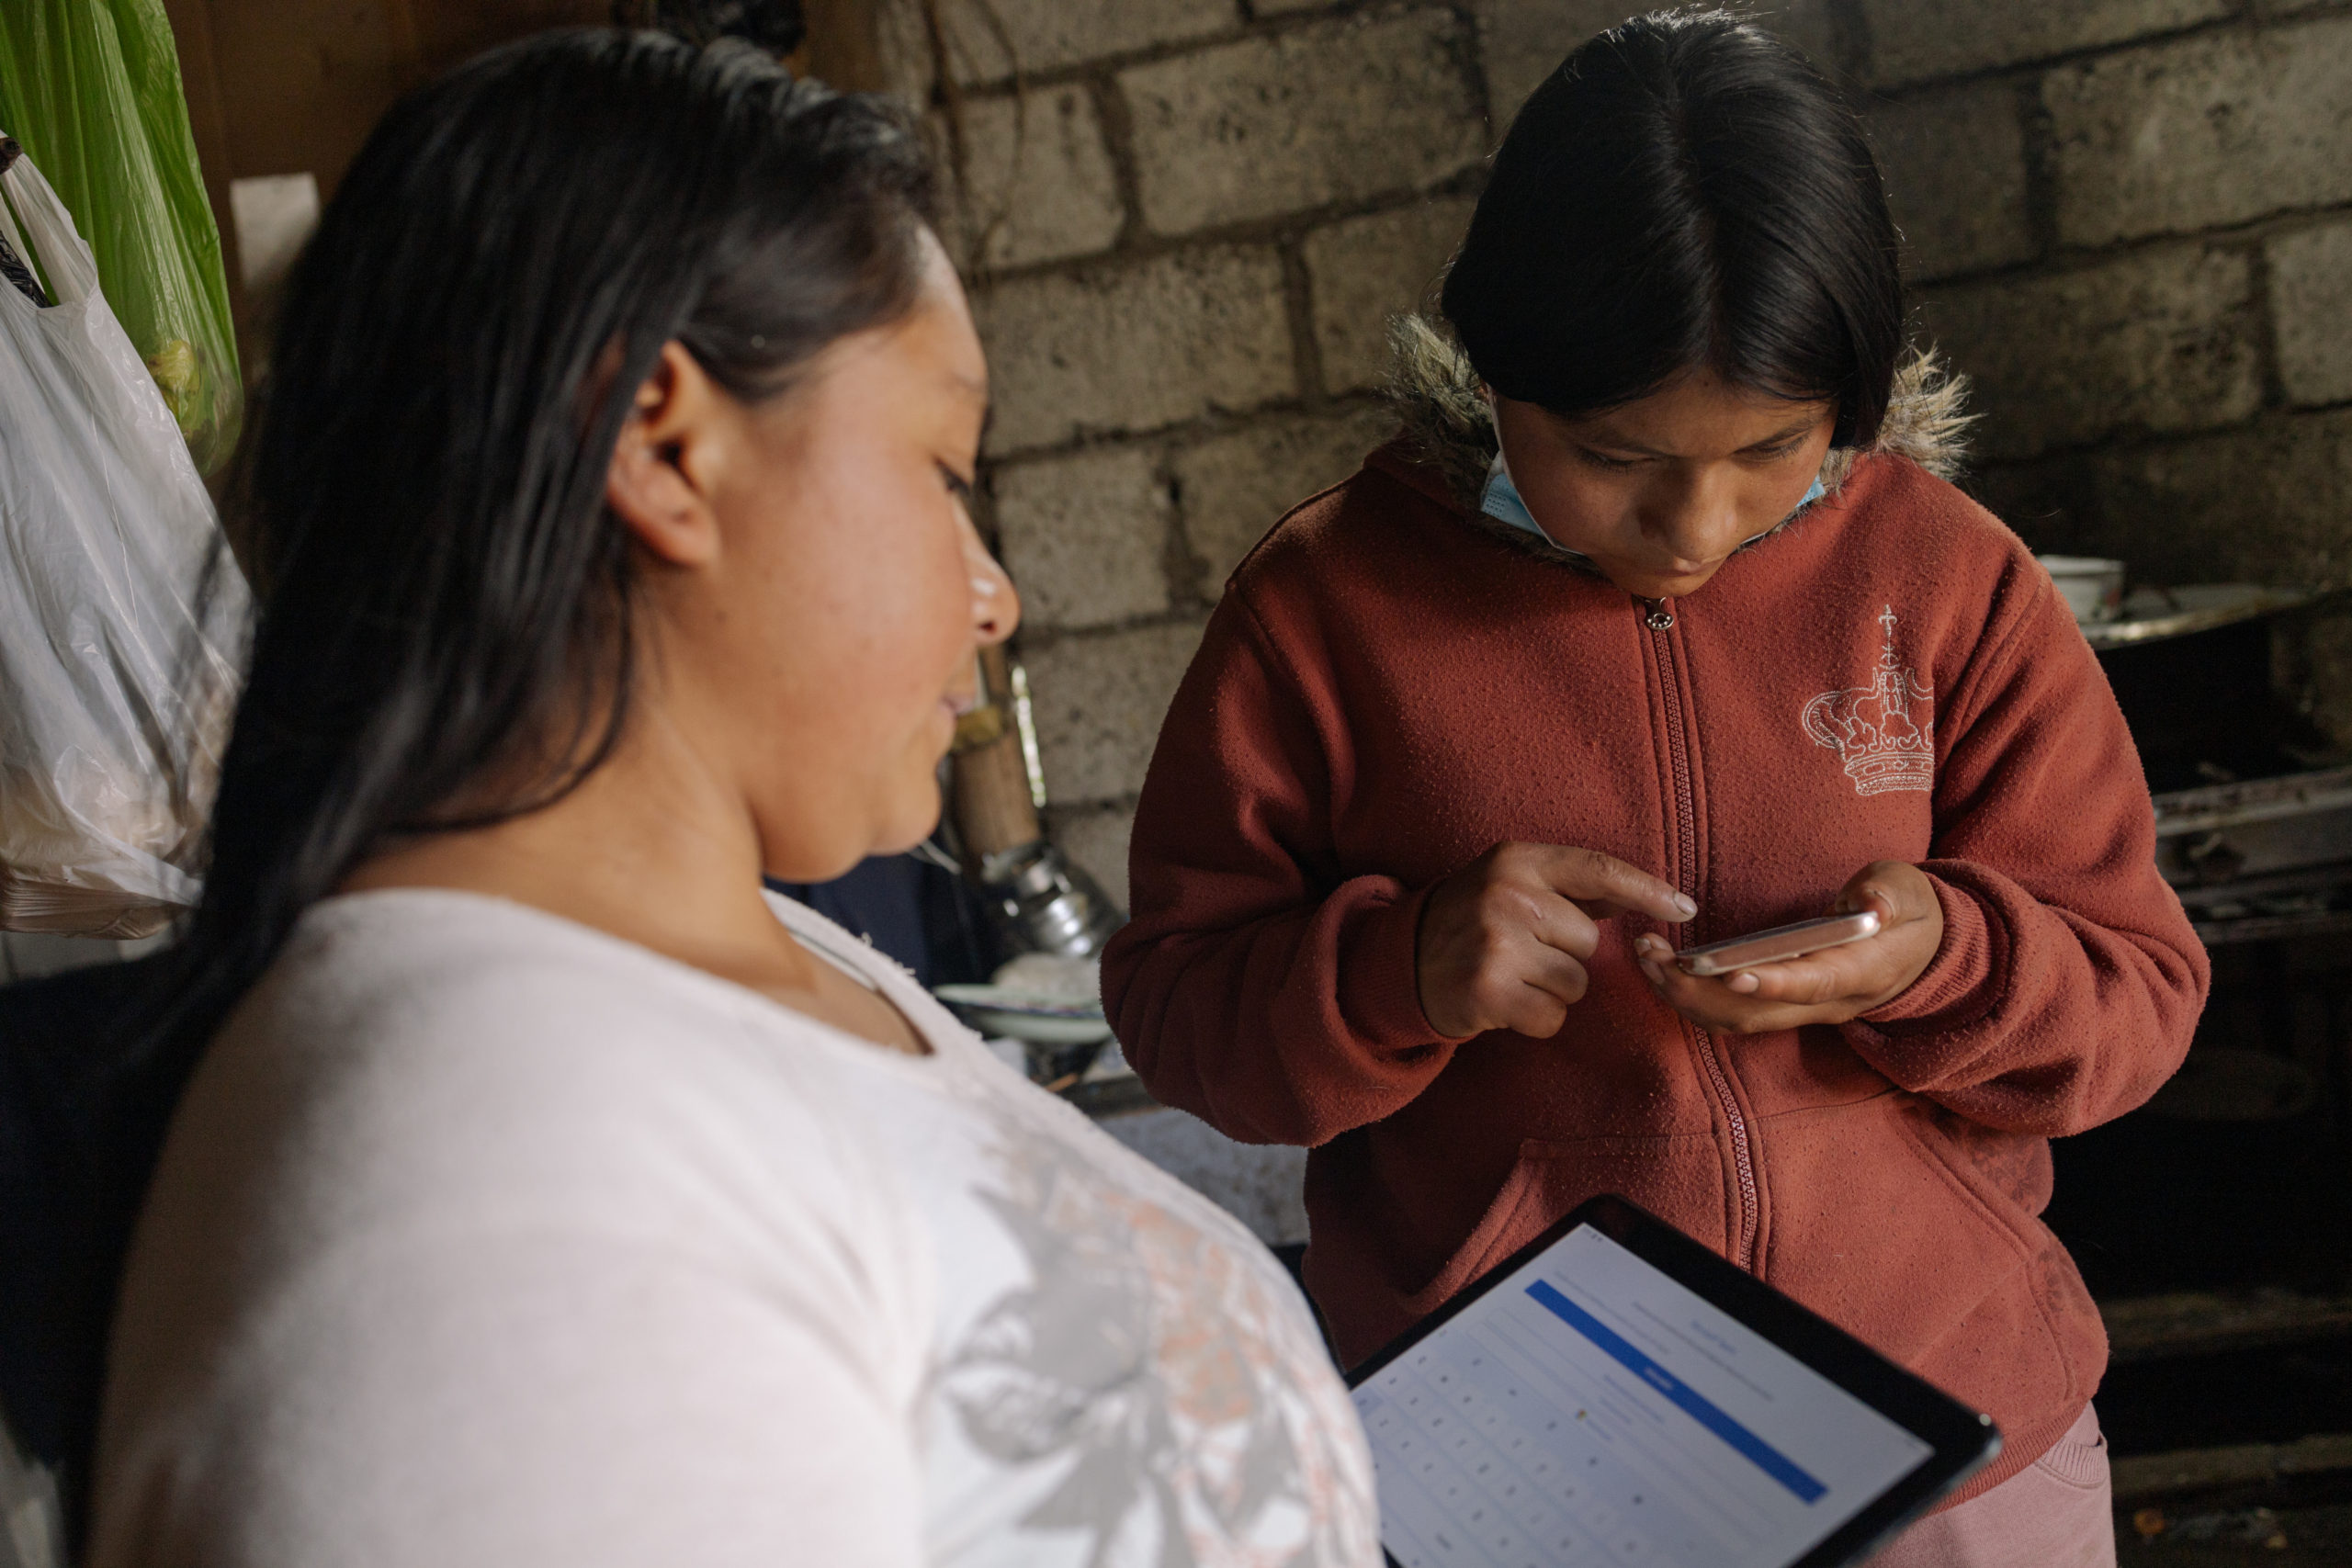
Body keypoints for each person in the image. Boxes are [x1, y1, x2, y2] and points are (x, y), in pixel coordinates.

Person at [86, 32, 1375, 1568]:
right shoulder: (507, 1197)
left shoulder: (743, 953)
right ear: (660, 442)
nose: (994, 592)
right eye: (940, 468)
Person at [1102, 13, 2208, 1566]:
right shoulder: (1325, 607)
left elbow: (2139, 996)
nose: (1693, 523)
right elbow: (1176, 1010)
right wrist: (1397, 972)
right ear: (1498, 376)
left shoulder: (1947, 581)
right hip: (1532, 1471)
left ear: (1857, 399)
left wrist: (1946, 959)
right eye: (1610, 452)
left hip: (1948, 1443)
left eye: (1773, 450)